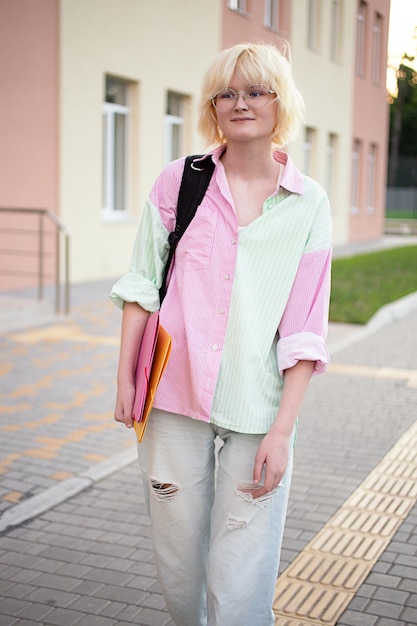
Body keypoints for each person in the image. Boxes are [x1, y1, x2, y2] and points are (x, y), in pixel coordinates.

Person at [110, 42, 332, 626]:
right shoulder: (178, 182)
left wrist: (283, 432)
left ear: (279, 102)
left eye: (256, 90)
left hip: (257, 408)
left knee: (244, 569)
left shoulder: (309, 204)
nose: (241, 103)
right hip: (173, 397)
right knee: (179, 561)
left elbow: (306, 327)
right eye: (227, 92)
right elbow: (140, 286)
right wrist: (124, 382)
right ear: (213, 106)